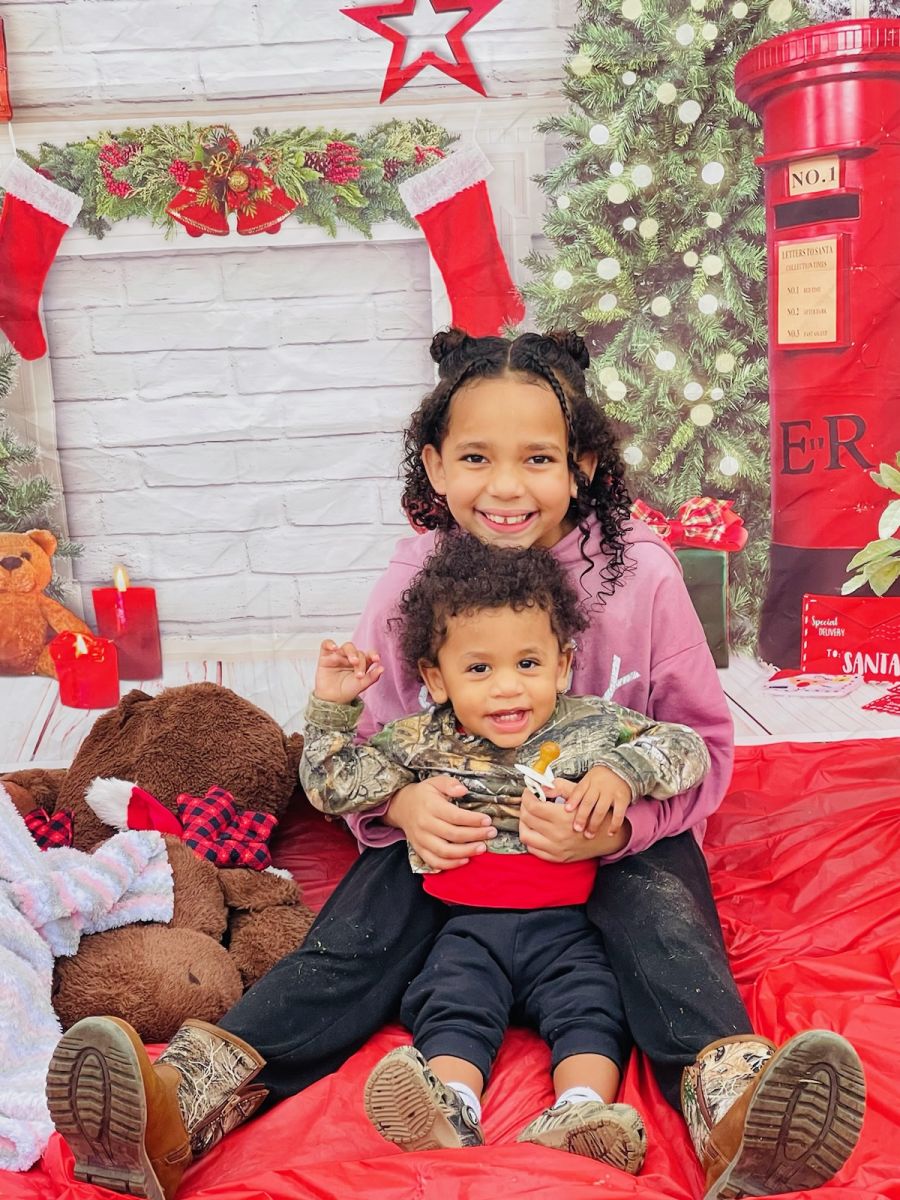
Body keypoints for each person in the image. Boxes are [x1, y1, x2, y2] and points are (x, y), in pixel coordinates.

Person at [47, 329, 866, 1200]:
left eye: (539, 458)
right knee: (356, 929)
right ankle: (190, 1098)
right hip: (457, 848)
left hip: (604, 838)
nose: (506, 486)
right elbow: (359, 751)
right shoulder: (412, 582)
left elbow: (702, 739)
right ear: (435, 466)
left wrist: (625, 816)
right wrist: (400, 813)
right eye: (476, 457)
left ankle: (731, 1103)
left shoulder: (646, 578)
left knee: (665, 912)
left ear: (582, 461)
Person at [300, 533, 712, 1172]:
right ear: (435, 679)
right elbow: (334, 785)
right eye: (478, 669)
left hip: (569, 930)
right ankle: (449, 1109)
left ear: (563, 663)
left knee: (592, 1008)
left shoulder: (593, 726)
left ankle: (579, 1112)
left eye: (527, 664)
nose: (507, 690)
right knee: (451, 1003)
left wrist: (624, 774)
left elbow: (689, 749)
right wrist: (333, 707)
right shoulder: (419, 741)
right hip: (466, 930)